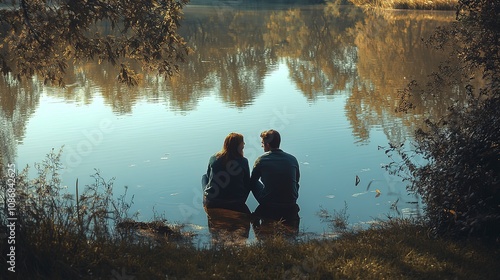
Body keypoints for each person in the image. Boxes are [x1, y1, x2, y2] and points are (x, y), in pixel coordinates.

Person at [250, 129, 300, 220]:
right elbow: (297, 181)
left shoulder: (261, 160)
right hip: (290, 201)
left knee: (252, 182)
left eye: (262, 143)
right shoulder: (292, 159)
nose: (262, 146)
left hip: (268, 203)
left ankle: (255, 217)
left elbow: (253, 180)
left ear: (267, 145)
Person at [202, 132, 252, 213]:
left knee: (204, 177)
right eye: (242, 142)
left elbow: (209, 175)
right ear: (238, 146)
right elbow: (247, 182)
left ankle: (207, 197)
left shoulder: (214, 158)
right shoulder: (243, 161)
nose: (244, 144)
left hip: (213, 200)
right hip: (236, 201)